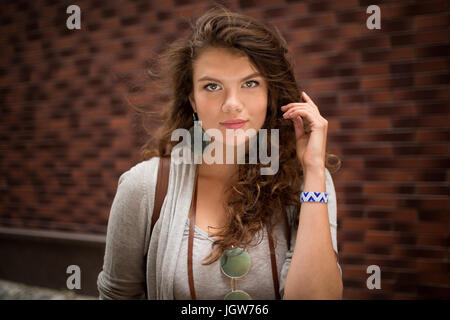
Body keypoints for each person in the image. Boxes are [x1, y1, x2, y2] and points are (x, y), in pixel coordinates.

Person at [97, 5, 343, 300]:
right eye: (212, 86)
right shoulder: (145, 187)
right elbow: (117, 296)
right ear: (193, 100)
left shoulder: (308, 183)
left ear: (270, 94)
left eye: (250, 83)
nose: (231, 103)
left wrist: (314, 171)